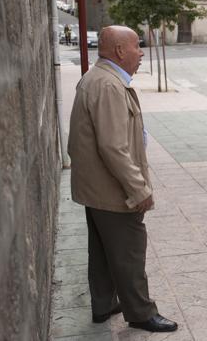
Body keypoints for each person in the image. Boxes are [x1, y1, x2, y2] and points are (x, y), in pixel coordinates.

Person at [67, 25, 177, 333]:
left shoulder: (99, 79)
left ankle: (104, 305)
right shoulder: (108, 85)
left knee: (102, 251)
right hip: (112, 190)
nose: (142, 53)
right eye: (137, 46)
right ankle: (141, 313)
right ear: (119, 51)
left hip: (96, 188)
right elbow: (113, 148)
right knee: (129, 251)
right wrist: (138, 189)